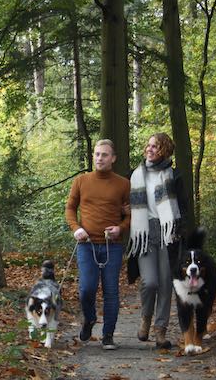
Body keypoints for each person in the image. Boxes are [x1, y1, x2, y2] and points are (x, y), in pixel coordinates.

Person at [65, 139, 130, 350]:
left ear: (113, 158)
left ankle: (108, 336)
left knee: (111, 291)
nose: (99, 158)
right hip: (87, 244)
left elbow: (130, 215)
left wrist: (120, 228)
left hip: (113, 246)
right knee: (86, 289)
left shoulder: (123, 184)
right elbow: (69, 209)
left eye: (104, 155)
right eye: (97, 154)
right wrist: (76, 228)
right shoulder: (81, 181)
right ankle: (90, 318)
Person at [127, 132, 187, 349]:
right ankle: (145, 318)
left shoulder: (174, 175)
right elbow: (126, 205)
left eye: (155, 147)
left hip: (168, 232)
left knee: (165, 284)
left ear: (164, 150)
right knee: (149, 282)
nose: (149, 149)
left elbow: (183, 206)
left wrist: (182, 234)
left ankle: (160, 330)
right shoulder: (135, 175)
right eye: (149, 146)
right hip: (143, 233)